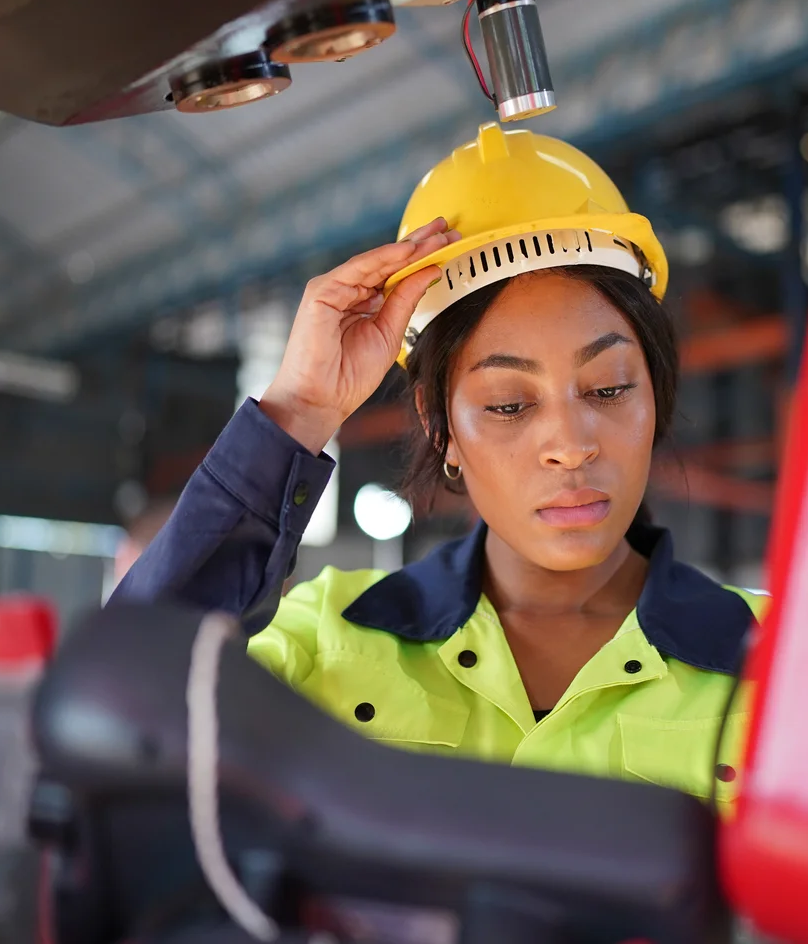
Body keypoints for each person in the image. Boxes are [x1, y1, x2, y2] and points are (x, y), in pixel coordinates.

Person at [112, 123, 764, 804]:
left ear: (654, 395)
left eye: (608, 389)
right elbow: (122, 710)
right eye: (510, 404)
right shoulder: (327, 645)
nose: (571, 444)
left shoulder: (783, 668)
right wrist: (299, 409)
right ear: (439, 426)